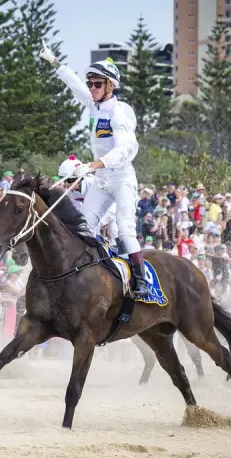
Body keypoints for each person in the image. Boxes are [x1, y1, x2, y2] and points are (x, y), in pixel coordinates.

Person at [40, 40, 149, 296]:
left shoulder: (120, 112)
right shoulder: (92, 103)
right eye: (91, 84)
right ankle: (92, 272)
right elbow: (74, 84)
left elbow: (126, 150)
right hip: (100, 180)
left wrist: (91, 165)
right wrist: (55, 62)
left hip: (121, 179)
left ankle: (141, 280)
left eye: (98, 84)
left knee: (124, 228)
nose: (92, 88)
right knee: (84, 226)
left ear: (111, 85)